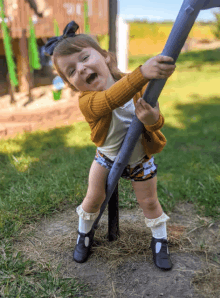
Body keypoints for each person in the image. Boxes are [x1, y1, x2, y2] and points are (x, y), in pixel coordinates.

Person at [44, 21, 176, 270]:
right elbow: (112, 98)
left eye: (84, 58)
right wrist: (142, 73)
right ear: (72, 85)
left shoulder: (138, 87)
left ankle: (160, 240)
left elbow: (157, 120)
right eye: (71, 72)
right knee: (93, 198)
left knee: (149, 202)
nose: (81, 70)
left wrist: (151, 120)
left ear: (105, 56)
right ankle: (84, 235)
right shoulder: (89, 101)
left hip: (140, 159)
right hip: (106, 158)